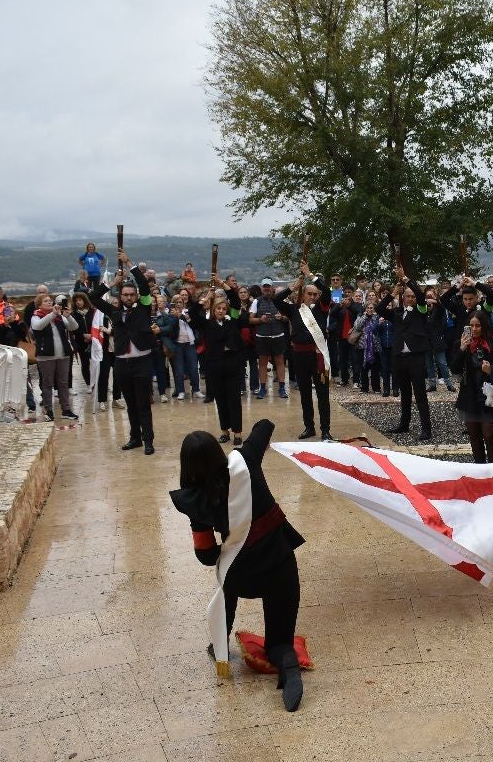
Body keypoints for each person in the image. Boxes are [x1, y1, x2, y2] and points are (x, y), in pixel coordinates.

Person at [172, 418, 305, 710]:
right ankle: (288, 667)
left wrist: (231, 541)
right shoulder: (245, 460)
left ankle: (220, 640)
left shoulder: (196, 501)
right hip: (280, 566)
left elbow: (206, 555)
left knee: (225, 577)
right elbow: (267, 425)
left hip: (241, 577)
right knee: (279, 643)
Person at [89, 249, 156, 455]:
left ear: (136, 296)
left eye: (131, 294)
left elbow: (144, 286)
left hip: (142, 361)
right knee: (130, 404)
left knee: (143, 404)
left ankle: (148, 440)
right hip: (122, 364)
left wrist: (130, 264)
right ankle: (134, 437)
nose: (128, 297)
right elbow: (93, 297)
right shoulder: (114, 311)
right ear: (120, 296)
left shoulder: (143, 307)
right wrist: (112, 282)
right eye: (125, 295)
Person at [274, 262, 334, 441]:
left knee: (323, 394)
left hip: (318, 356)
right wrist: (293, 287)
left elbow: (328, 292)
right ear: (304, 294)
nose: (313, 297)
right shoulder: (294, 309)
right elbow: (276, 301)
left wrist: (310, 275)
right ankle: (309, 427)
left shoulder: (322, 309)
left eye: (316, 294)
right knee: (305, 393)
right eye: (309, 294)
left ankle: (325, 430)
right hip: (299, 356)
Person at [378, 269, 433, 441]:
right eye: (407, 296)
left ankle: (426, 428)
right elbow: (380, 308)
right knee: (405, 393)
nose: (410, 298)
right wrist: (393, 293)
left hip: (415, 357)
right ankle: (404, 423)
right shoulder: (396, 312)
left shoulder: (421, 311)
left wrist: (406, 278)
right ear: (403, 297)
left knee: (420, 394)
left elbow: (420, 293)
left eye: (412, 297)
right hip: (399, 357)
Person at [200, 282, 251, 446]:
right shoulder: (207, 325)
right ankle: (224, 431)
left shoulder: (233, 320)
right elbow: (194, 314)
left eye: (223, 308)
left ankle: (237, 432)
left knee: (234, 399)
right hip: (215, 366)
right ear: (213, 310)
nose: (221, 311)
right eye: (218, 308)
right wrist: (206, 298)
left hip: (233, 365)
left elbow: (235, 301)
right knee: (220, 399)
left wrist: (222, 283)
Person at [451, 309, 493, 463]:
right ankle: (479, 469)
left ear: (484, 326)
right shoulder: (461, 344)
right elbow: (454, 369)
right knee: (474, 436)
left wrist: (491, 369)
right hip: (469, 393)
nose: (474, 329)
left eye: (478, 326)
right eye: (471, 326)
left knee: (489, 435)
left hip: (489, 393)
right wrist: (461, 349)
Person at [29, 293, 79, 421]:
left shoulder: (59, 317)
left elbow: (74, 327)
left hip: (63, 355)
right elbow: (37, 326)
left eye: (50, 300)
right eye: (46, 301)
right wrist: (52, 314)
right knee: (47, 384)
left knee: (63, 383)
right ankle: (48, 411)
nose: (50, 302)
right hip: (45, 356)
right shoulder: (36, 316)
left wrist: (69, 316)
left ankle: (66, 410)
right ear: (39, 305)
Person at [252, 281, 289, 399]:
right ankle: (262, 388)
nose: (267, 289)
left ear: (272, 288)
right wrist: (260, 320)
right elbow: (250, 319)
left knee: (280, 361)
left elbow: (289, 316)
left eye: (268, 287)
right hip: (262, 336)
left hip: (278, 335)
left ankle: (282, 388)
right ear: (262, 288)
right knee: (262, 363)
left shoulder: (280, 300)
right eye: (265, 287)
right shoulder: (256, 301)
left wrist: (281, 317)